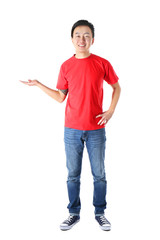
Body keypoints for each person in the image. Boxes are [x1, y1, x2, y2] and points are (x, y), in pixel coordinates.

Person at [20, 19, 121, 231]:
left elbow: (116, 87)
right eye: (78, 35)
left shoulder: (102, 63)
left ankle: (100, 213)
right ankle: (73, 213)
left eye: (86, 35)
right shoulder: (66, 66)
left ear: (92, 40)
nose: (82, 39)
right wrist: (39, 84)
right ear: (72, 39)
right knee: (73, 175)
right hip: (72, 130)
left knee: (99, 174)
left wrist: (110, 111)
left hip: (96, 130)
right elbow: (60, 97)